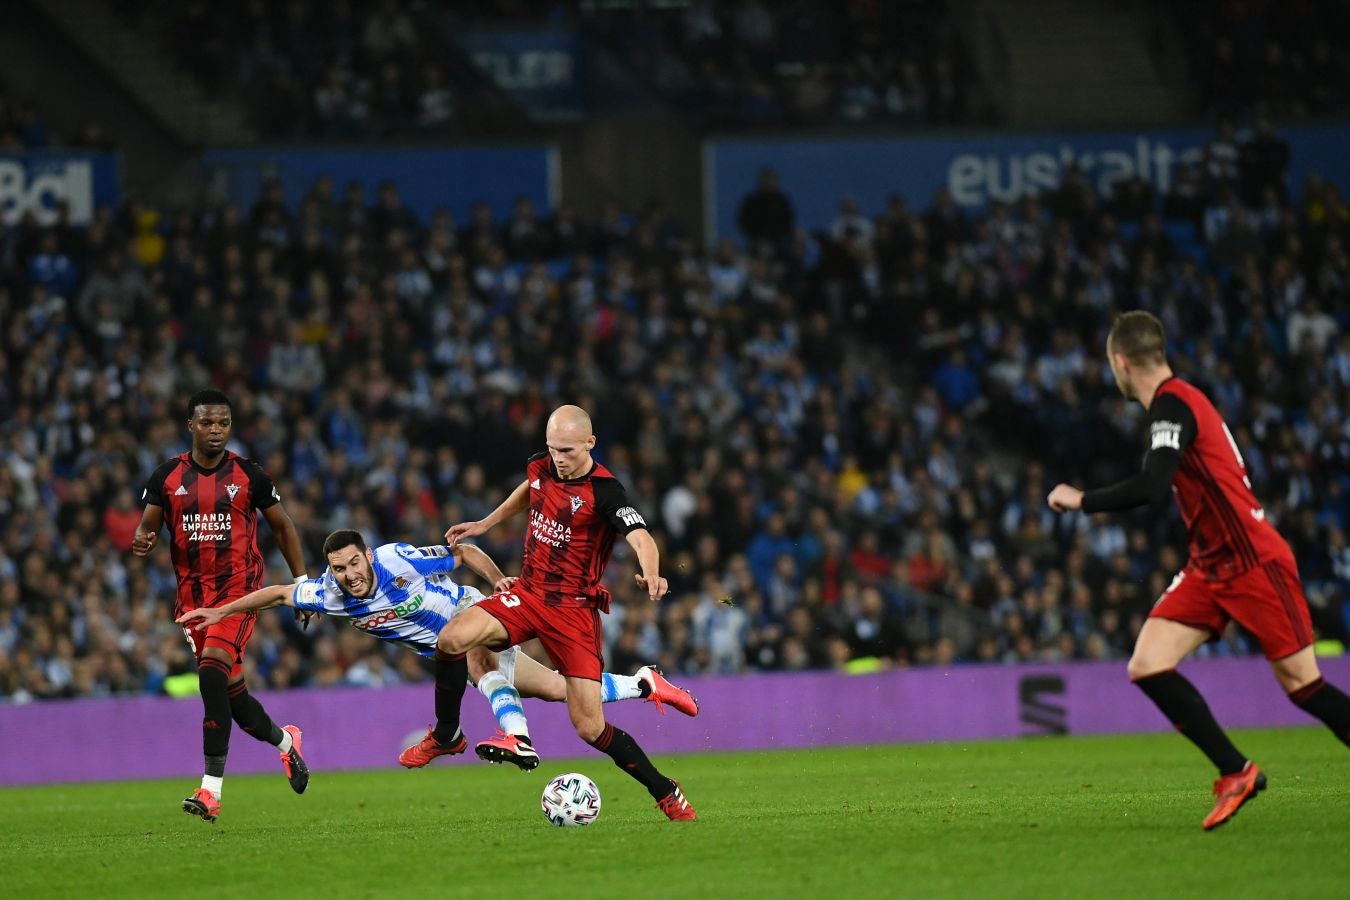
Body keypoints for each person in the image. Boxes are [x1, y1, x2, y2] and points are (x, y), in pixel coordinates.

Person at [1046, 311, 1350, 831]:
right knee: (1147, 664)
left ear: (1121, 362)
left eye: (1111, 365)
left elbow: (1150, 485)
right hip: (1211, 566)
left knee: (1303, 684)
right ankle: (1237, 771)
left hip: (1253, 561)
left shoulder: (1173, 407)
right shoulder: (1176, 404)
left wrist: (1082, 500)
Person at [177, 529, 696, 771]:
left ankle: (508, 739)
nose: (352, 574)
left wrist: (497, 585)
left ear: (366, 555)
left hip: (475, 615)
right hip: (451, 651)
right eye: (340, 568)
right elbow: (275, 594)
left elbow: (462, 551)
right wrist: (221, 612)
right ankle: (646, 683)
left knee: (475, 655)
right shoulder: (329, 594)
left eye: (355, 563)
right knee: (559, 690)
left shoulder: (397, 560)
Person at [437, 405, 699, 821]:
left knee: (589, 726)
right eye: (553, 448)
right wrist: (486, 524)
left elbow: (642, 537)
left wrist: (652, 573)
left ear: (590, 444)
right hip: (528, 594)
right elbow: (531, 487)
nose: (559, 457)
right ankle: (448, 734)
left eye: (568, 450)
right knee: (453, 639)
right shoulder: (542, 466)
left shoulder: (607, 491)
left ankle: (665, 790)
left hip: (573, 611)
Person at [132, 389, 311, 824]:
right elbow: (148, 527)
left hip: (238, 592)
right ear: (191, 425)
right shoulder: (166, 477)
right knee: (234, 700)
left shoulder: (249, 475)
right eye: (208, 423)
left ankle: (210, 792)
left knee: (210, 671)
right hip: (193, 601)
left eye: (224, 423)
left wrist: (303, 584)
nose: (216, 431)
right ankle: (287, 743)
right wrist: (143, 539)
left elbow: (283, 527)